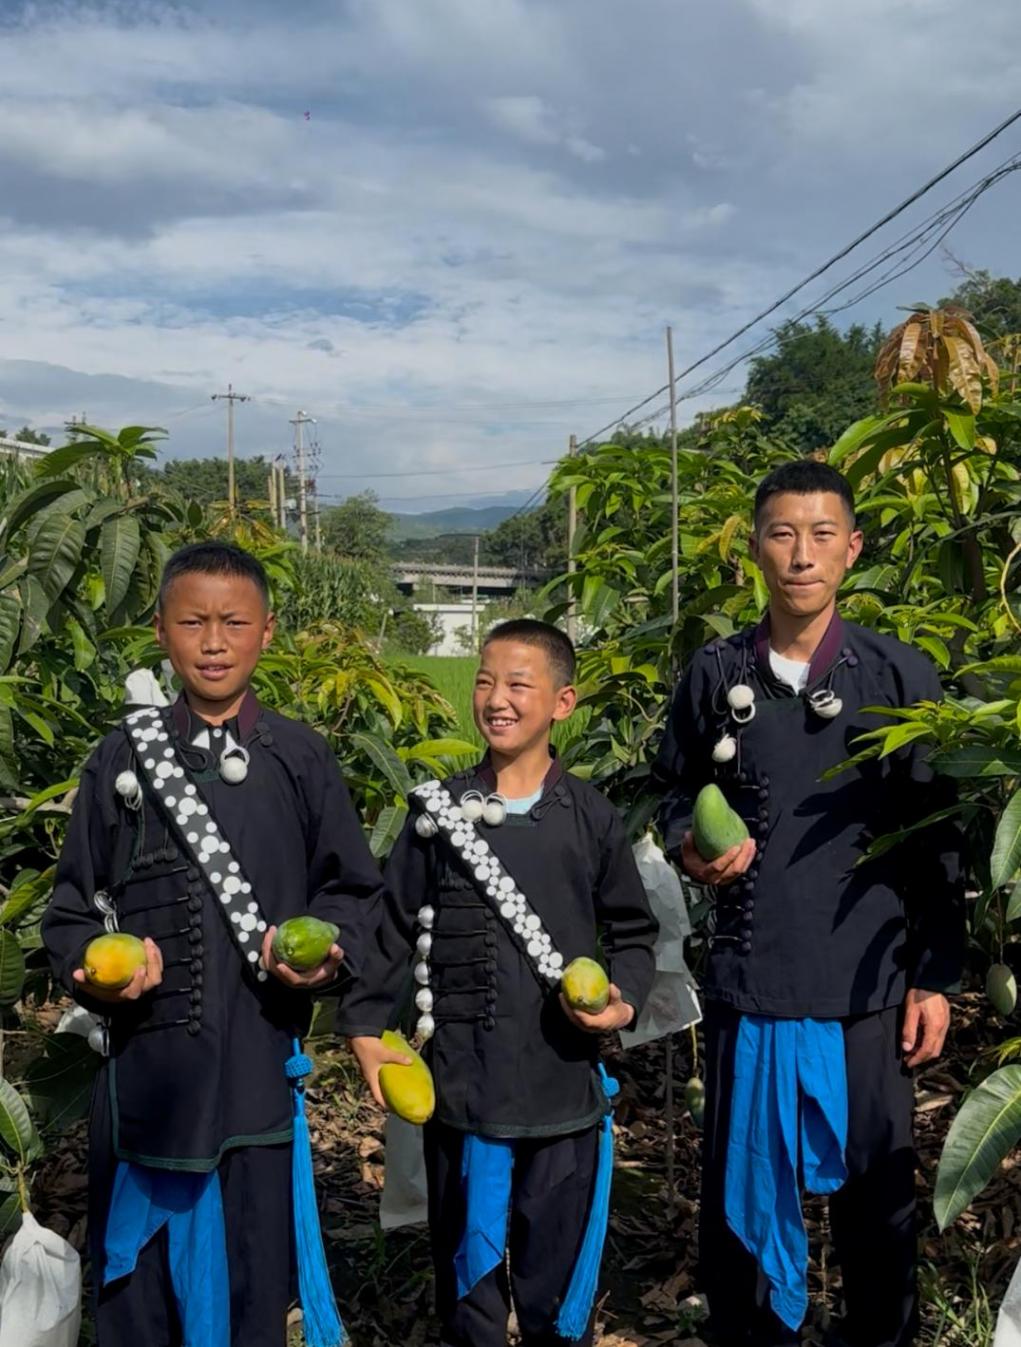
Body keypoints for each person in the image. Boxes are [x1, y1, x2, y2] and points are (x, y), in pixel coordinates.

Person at [42, 541, 386, 1347]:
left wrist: (326, 951)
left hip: (258, 1075)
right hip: (148, 1083)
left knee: (249, 1293)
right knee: (138, 1303)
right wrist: (97, 969)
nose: (213, 640)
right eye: (192, 621)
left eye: (234, 622)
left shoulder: (299, 757)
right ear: (161, 630)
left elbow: (352, 892)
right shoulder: (120, 760)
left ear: (266, 632)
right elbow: (69, 912)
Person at [654, 460, 964, 1347]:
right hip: (751, 978)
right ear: (754, 547)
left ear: (852, 548)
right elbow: (672, 785)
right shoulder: (715, 674)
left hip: (867, 983)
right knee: (742, 1208)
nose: (801, 554)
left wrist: (933, 975)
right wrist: (690, 842)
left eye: (821, 534)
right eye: (782, 533)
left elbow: (934, 834)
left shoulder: (899, 676)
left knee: (874, 1205)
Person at [339, 619, 658, 1347]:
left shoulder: (589, 816)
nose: (496, 698)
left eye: (519, 683)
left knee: (554, 1294)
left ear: (562, 701)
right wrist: (361, 1027)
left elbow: (633, 932)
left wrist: (622, 999)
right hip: (464, 1091)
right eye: (484, 680)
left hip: (562, 1093)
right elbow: (390, 926)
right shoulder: (435, 816)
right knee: (468, 1292)